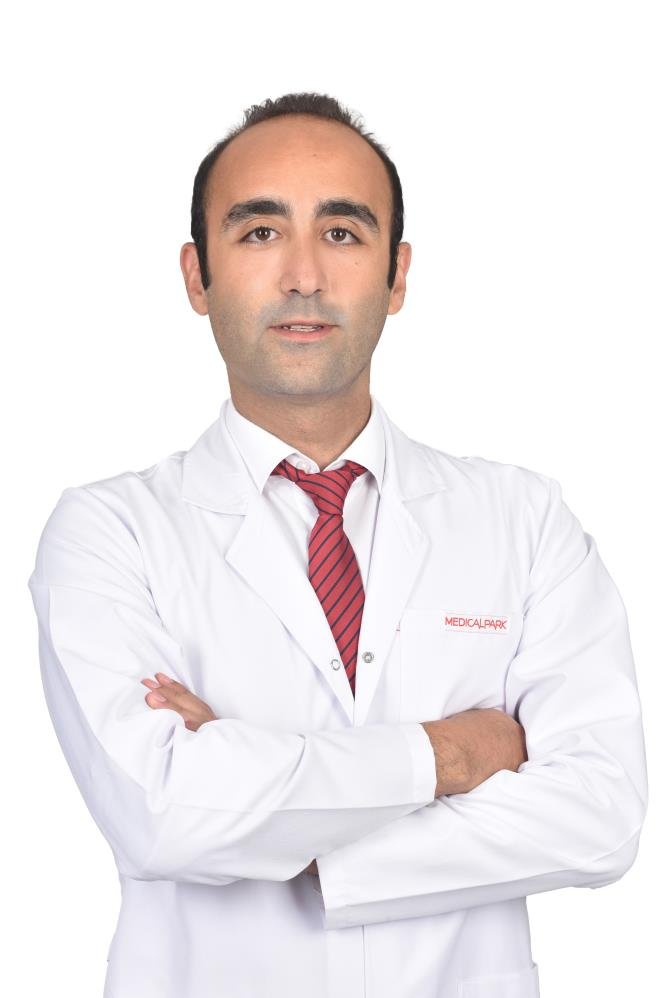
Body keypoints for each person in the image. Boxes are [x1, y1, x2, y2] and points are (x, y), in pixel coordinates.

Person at [27, 92, 648, 998]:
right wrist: (455, 756)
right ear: (197, 277)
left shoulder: (524, 519)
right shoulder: (108, 532)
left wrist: (285, 832)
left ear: (397, 276)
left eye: (343, 233)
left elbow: (601, 816)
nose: (304, 275)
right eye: (260, 232)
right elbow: (162, 812)